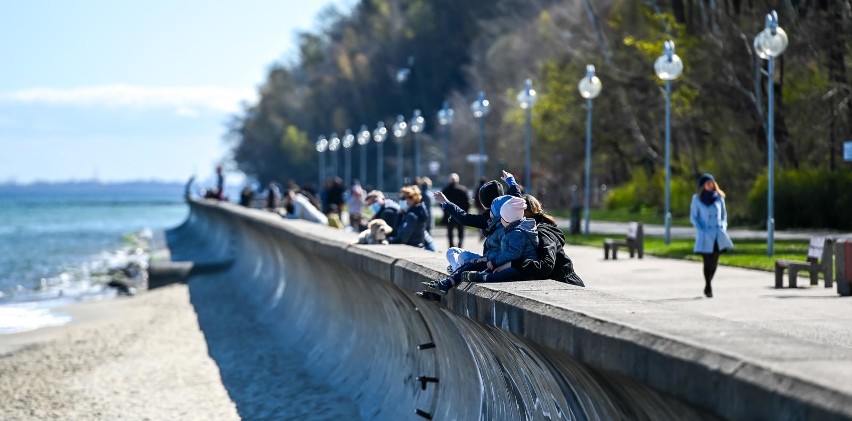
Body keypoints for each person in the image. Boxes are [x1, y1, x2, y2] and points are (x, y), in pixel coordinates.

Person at [459, 196, 538, 283]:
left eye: (502, 217)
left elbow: (513, 253)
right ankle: (482, 273)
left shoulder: (517, 233)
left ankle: (485, 277)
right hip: (513, 262)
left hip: (523, 266)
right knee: (495, 267)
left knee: (507, 273)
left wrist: (495, 261)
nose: (500, 220)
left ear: (508, 219)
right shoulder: (512, 229)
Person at [512, 194, 585, 287]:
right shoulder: (534, 228)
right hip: (561, 284)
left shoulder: (542, 232)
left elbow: (546, 266)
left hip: (566, 285)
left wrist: (515, 263)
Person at [690, 173, 734, 298]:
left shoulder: (719, 197)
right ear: (703, 186)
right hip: (705, 234)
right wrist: (701, 229)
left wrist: (723, 227)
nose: (710, 185)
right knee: (707, 261)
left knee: (714, 261)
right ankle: (708, 285)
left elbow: (724, 215)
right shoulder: (697, 199)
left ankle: (709, 282)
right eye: (708, 183)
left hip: (717, 234)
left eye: (712, 183)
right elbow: (694, 217)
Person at [387, 186, 436, 251]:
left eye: (404, 198)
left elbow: (403, 238)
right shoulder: (412, 212)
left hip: (413, 249)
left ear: (412, 199)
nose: (401, 200)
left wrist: (389, 240)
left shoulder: (412, 215)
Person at [440, 173, 471, 248]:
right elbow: (467, 203)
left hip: (449, 214)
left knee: (450, 231)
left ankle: (451, 246)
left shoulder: (445, 190)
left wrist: (445, 211)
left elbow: (441, 202)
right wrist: (465, 212)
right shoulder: (463, 190)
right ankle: (460, 245)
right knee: (460, 230)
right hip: (460, 213)